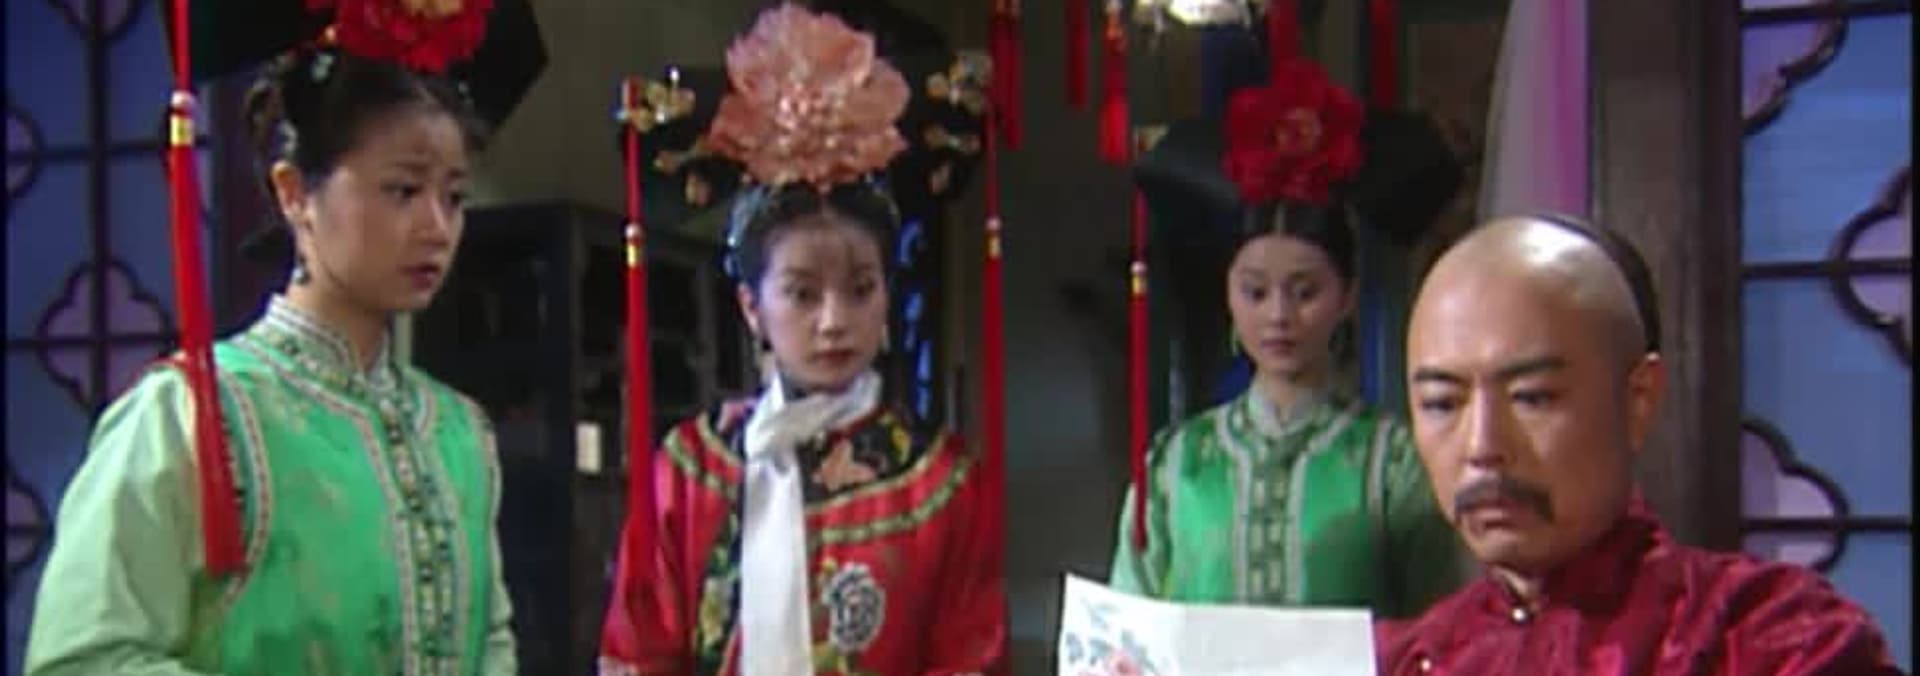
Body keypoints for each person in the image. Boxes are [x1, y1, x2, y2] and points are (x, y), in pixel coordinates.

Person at [23, 2, 531, 673]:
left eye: (454, 197)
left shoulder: (459, 433)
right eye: (403, 190)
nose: (437, 227)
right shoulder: (191, 415)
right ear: (294, 193)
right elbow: (81, 659)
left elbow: (490, 645)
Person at [595, 5, 1005, 675]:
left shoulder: (938, 482)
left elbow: (969, 658)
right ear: (751, 307)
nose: (834, 320)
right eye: (803, 293)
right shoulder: (692, 470)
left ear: (888, 294)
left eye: (860, 288)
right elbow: (639, 652)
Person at [1376, 213, 1900, 674]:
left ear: (1638, 399)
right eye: (1442, 403)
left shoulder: (1768, 635)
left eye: (1532, 397)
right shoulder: (1399, 660)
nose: (1481, 445)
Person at [1109, 5, 1467, 618]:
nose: (1278, 316)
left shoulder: (1392, 462)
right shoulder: (1177, 465)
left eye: (1305, 292)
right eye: (1255, 292)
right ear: (1228, 294)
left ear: (1346, 296)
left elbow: (1441, 630)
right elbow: (1129, 630)